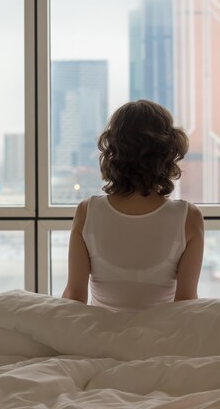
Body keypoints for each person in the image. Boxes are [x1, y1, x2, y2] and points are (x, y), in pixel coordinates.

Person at [62, 99, 204, 312]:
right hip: (159, 340)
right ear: (167, 152)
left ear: (112, 150)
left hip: (99, 339)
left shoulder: (87, 212)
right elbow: (185, 304)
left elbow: (75, 297)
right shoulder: (188, 217)